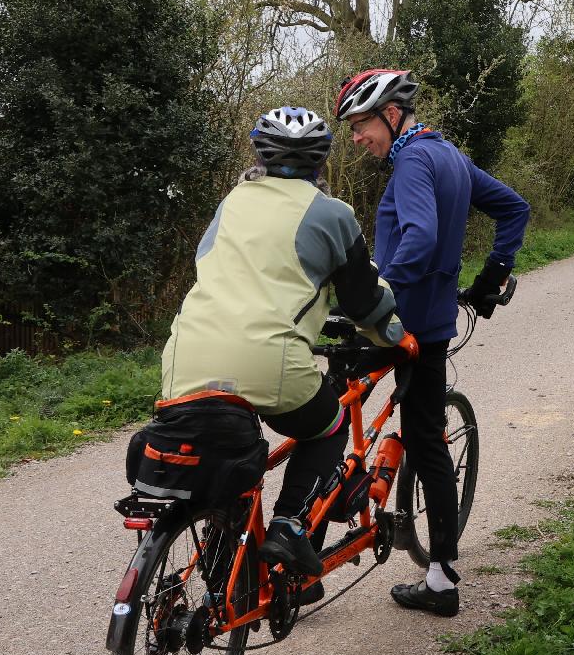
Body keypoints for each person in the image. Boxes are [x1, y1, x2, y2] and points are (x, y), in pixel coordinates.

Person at [156, 107, 410, 597]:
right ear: (321, 164)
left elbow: (206, 263)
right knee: (329, 423)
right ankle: (290, 526)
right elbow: (363, 302)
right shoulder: (334, 214)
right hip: (269, 364)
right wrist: (396, 336)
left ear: (260, 157)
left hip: (185, 357)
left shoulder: (232, 202)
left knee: (228, 452)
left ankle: (238, 572)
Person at [336, 67, 530, 616]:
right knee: (427, 440)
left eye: (360, 125)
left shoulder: (414, 161)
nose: (356, 139)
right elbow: (514, 208)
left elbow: (418, 237)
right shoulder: (451, 156)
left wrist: (377, 294)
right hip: (437, 324)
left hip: (400, 324)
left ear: (391, 115)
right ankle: (440, 576)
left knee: (327, 404)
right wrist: (493, 276)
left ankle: (305, 540)